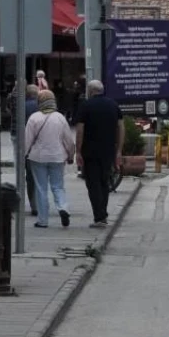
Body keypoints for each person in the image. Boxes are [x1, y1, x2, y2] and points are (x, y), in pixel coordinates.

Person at [75, 79, 123, 228]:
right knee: (104, 182)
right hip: (108, 150)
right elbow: (121, 128)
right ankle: (103, 213)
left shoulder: (85, 106)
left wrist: (78, 151)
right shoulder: (113, 105)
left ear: (90, 91)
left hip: (90, 151)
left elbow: (80, 130)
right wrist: (119, 150)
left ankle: (99, 216)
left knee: (93, 184)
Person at [25, 90, 75, 228]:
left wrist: (24, 153)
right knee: (58, 186)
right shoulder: (60, 117)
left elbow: (27, 140)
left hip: (38, 157)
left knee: (41, 188)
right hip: (57, 156)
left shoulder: (34, 118)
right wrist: (71, 155)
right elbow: (69, 140)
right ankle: (63, 207)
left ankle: (43, 220)